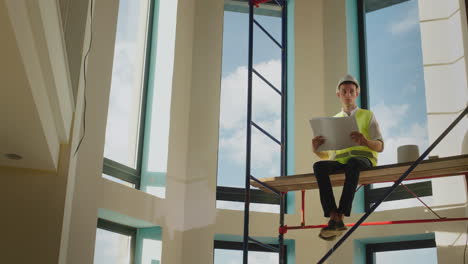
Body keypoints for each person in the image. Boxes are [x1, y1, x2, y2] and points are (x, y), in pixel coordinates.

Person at [312, 74, 384, 241]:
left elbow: (380, 146)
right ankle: (332, 214)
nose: (348, 95)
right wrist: (316, 149)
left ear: (356, 94)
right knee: (319, 166)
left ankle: (341, 215)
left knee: (353, 162)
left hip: (363, 162)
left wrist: (365, 141)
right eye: (344, 91)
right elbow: (328, 154)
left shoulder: (368, 115)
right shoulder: (334, 120)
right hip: (341, 162)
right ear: (339, 95)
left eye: (351, 91)